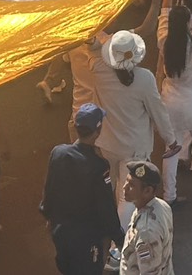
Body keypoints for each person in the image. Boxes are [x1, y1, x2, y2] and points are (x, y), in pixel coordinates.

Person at [92, 30, 177, 225]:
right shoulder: (144, 79)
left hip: (107, 143)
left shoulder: (98, 70)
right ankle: (119, 240)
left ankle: (108, 231)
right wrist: (170, 140)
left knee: (110, 189)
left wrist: (108, 38)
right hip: (135, 148)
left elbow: (93, 46)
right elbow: (158, 112)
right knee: (128, 195)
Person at [41, 104, 124, 275]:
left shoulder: (58, 153)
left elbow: (49, 189)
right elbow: (106, 206)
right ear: (97, 131)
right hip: (87, 237)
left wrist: (48, 215)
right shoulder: (99, 166)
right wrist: (119, 237)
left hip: (61, 231)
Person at [118, 161, 172, 275]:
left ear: (147, 191)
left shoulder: (146, 232)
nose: (124, 187)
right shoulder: (161, 205)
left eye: (131, 185)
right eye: (126, 181)